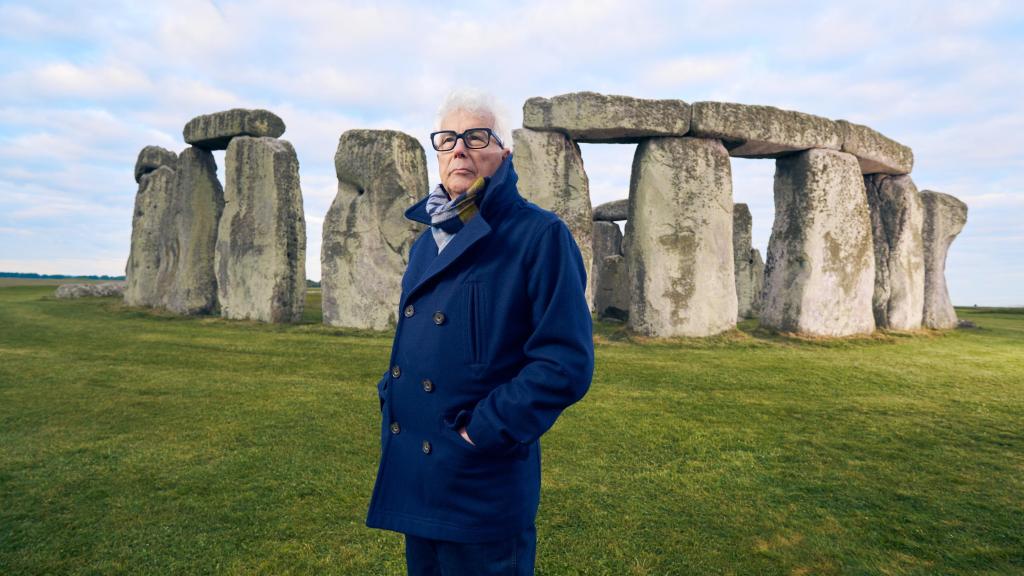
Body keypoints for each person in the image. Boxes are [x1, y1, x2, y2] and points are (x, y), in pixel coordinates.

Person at [364, 89, 595, 575]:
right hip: (420, 474)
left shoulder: (539, 235)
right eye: (447, 139)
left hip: (480, 481)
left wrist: (482, 431)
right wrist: (392, 395)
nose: (459, 149)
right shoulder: (428, 242)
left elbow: (565, 363)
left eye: (475, 136)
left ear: (503, 153)